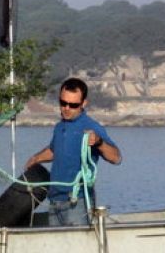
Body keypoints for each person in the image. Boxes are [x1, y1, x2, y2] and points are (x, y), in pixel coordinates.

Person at [25, 78, 121, 226]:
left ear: (83, 104)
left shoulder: (91, 127)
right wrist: (35, 159)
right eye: (63, 103)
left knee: (79, 248)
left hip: (77, 203)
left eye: (73, 105)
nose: (66, 108)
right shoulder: (59, 127)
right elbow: (54, 150)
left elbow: (116, 158)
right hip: (54, 201)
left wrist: (99, 142)